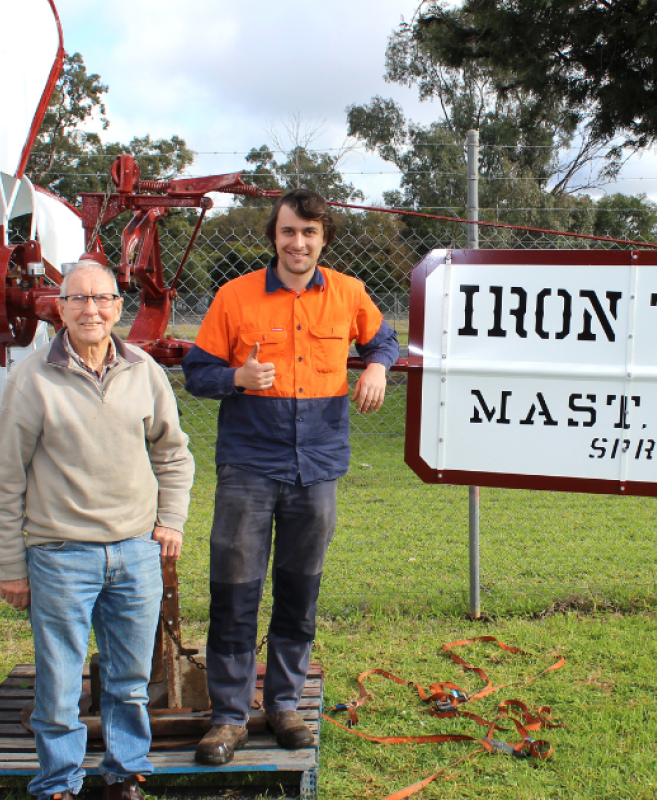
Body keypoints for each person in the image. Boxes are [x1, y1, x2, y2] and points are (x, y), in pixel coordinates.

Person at [183, 188, 399, 763]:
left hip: (318, 467)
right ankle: (228, 719)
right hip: (248, 465)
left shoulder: (349, 294)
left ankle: (282, 707)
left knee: (299, 591)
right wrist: (237, 378)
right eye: (287, 232)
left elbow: (384, 338)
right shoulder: (236, 297)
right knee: (234, 591)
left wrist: (377, 364)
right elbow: (197, 372)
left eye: (308, 232)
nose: (297, 243)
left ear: (323, 237)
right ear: (273, 237)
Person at [0, 260, 195, 800]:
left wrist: (170, 520)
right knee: (59, 682)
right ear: (60, 309)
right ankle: (59, 782)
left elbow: (174, 456)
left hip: (135, 551)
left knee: (129, 680)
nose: (91, 309)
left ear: (117, 307)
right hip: (60, 553)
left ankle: (125, 773)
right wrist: (12, 567)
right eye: (78, 299)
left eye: (102, 298)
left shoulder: (144, 372)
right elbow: (8, 479)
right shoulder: (32, 379)